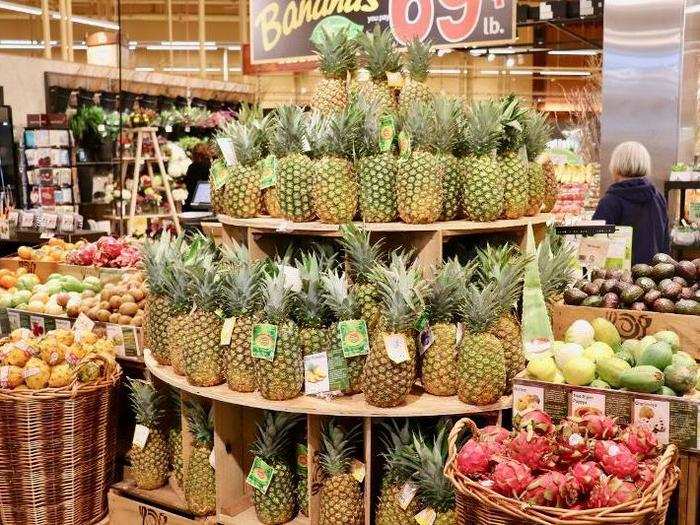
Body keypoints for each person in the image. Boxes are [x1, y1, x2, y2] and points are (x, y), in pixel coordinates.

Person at [593, 141, 669, 264]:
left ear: (615, 166)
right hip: (654, 274)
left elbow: (595, 243)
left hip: (619, 280)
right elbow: (665, 241)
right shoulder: (658, 197)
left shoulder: (610, 201)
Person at [182, 143, 212, 211]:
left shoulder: (192, 167)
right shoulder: (211, 167)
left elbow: (188, 185)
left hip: (192, 203)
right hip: (208, 203)